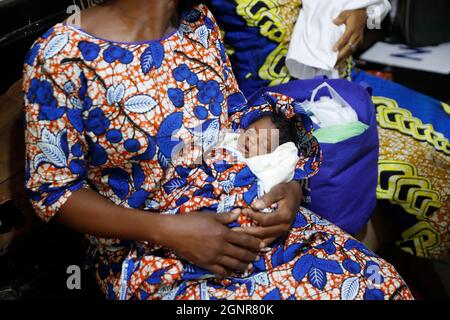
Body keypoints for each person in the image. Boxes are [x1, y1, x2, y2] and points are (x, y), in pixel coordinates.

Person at [23, 0, 412, 299]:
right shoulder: (62, 55)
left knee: (379, 283)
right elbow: (54, 193)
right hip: (156, 255)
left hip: (249, 220)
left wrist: (289, 187)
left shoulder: (200, 25)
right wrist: (171, 231)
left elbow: (236, 125)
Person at [208, 0, 450, 259]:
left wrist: (361, 12)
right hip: (274, 106)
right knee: (403, 173)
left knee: (443, 133)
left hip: (342, 81)